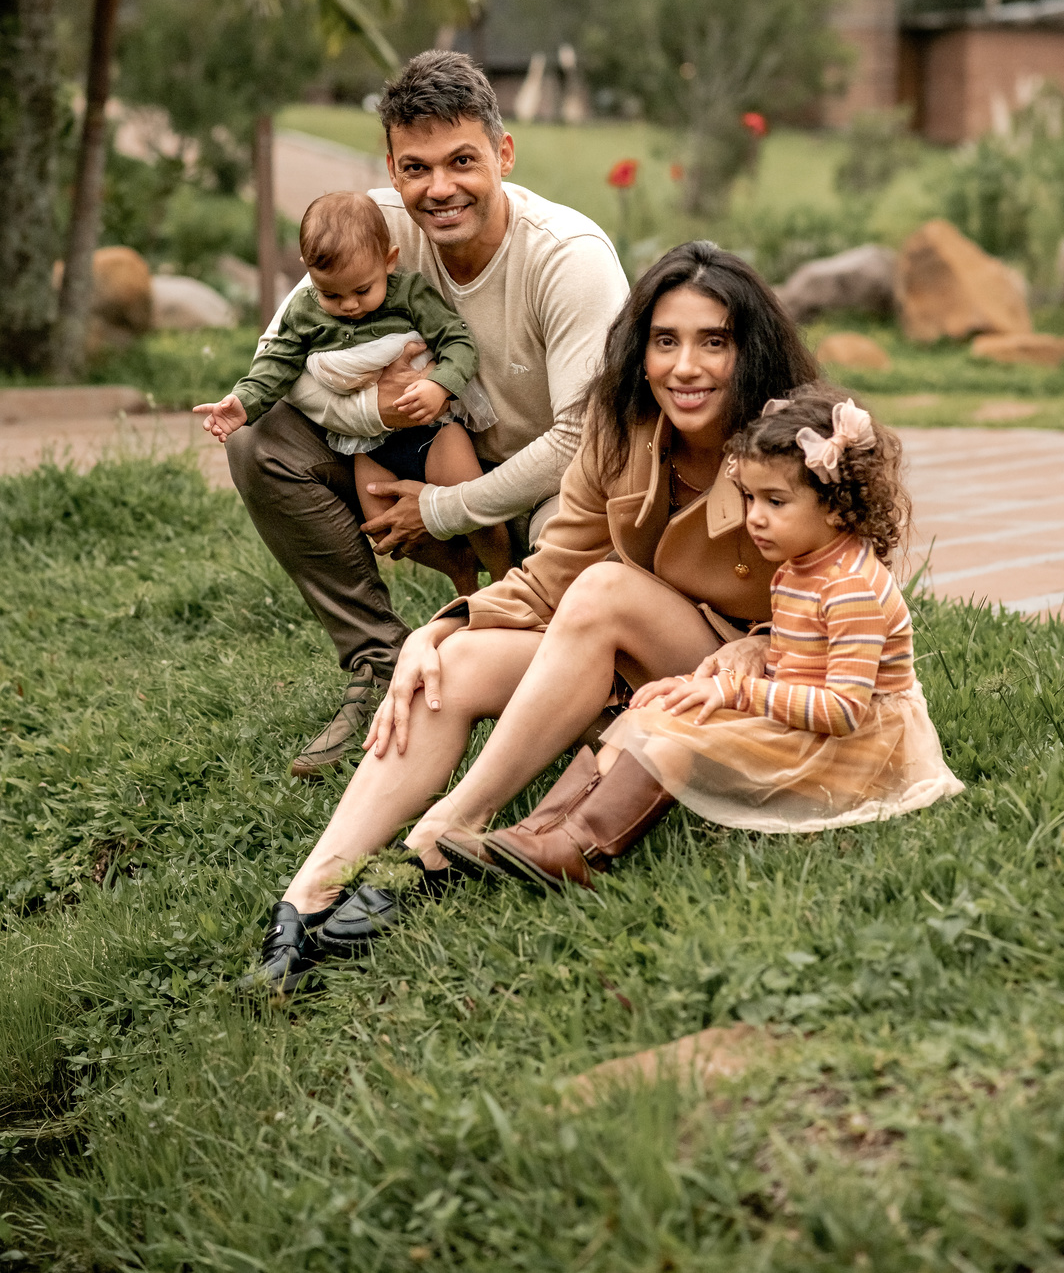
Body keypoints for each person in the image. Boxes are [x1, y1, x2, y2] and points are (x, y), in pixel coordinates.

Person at [245, 240, 822, 996]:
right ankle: (310, 892)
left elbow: (852, 587)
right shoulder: (620, 432)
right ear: (639, 352)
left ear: (751, 352)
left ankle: (448, 830)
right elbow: (553, 577)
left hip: (739, 679)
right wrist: (439, 628)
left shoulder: (799, 442)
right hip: (624, 665)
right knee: (447, 670)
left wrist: (768, 645)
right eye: (665, 341)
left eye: (715, 342)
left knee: (609, 590)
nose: (687, 367)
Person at [206, 51, 628, 777]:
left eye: (462, 161)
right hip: (418, 453)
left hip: (558, 489)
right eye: (415, 167)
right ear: (393, 166)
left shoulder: (568, 258)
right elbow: (276, 354)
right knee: (261, 443)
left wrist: (442, 510)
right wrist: (373, 409)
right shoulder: (377, 227)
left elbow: (578, 442)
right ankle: (379, 663)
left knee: (576, 519)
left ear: (503, 152)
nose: (439, 188)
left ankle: (561, 694)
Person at [480, 385, 963, 884]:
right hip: (808, 721)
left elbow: (842, 711)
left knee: (670, 743)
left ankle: (578, 851)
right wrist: (707, 680)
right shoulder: (801, 567)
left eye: (776, 501)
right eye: (750, 497)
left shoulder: (851, 589)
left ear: (837, 508)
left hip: (856, 753)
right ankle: (540, 832)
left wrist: (734, 692)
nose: (754, 517)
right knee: (658, 710)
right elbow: (802, 658)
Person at [195, 190, 511, 592]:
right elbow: (278, 362)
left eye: (362, 290)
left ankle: (506, 581)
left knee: (475, 511)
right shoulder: (304, 312)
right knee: (383, 531)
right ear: (309, 272)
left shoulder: (409, 293)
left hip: (433, 432)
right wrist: (244, 402)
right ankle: (462, 576)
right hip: (368, 446)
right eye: (332, 295)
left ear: (389, 261)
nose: (348, 305)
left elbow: (458, 342)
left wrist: (439, 384)